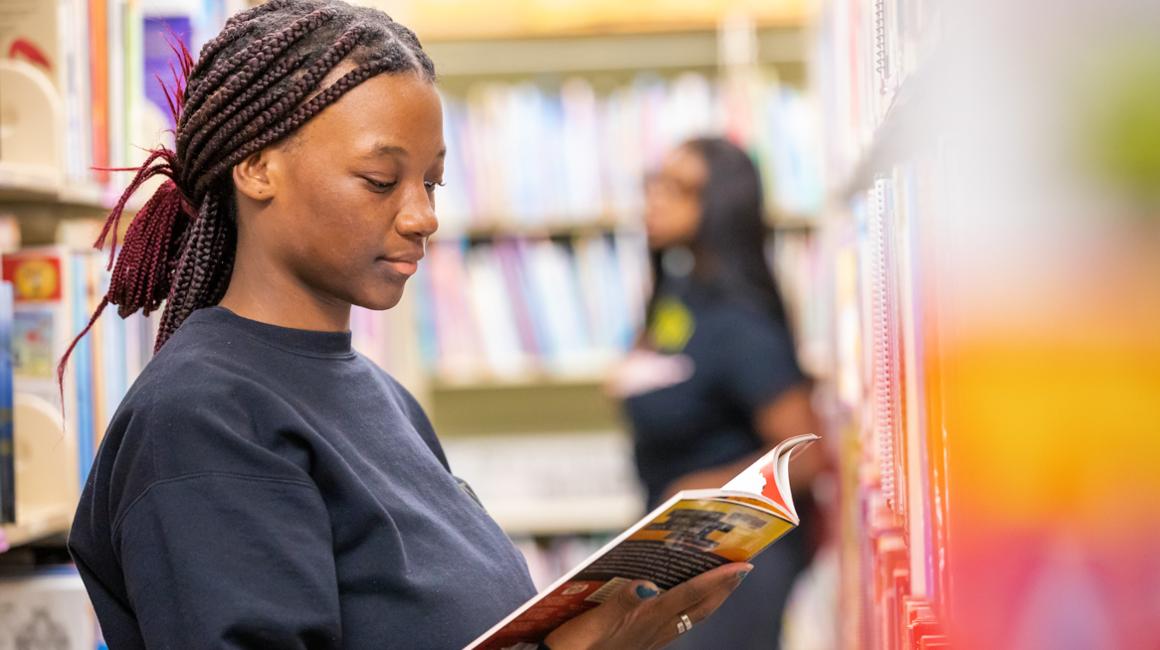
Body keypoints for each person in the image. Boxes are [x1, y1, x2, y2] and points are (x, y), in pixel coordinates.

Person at [64, 2, 752, 648]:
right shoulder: (202, 420)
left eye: (432, 182)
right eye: (379, 179)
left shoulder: (380, 396)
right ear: (256, 166)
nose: (423, 216)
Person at [611, 137, 827, 650]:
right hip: (684, 549)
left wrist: (695, 494)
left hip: (733, 558)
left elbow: (807, 456)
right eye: (655, 183)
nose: (656, 199)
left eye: (679, 188)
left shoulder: (740, 320)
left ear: (720, 206)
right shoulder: (680, 296)